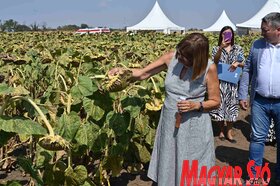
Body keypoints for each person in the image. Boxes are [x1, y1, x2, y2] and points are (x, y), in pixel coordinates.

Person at [109, 33, 220, 185]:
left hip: (193, 126)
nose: (178, 58)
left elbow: (216, 102)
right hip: (170, 122)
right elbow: (142, 73)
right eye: (179, 52)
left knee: (191, 162)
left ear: (196, 59)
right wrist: (121, 72)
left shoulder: (209, 68)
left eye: (184, 57)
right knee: (169, 159)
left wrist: (197, 105)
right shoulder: (170, 58)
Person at [238, 12, 280, 183]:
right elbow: (247, 70)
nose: (262, 33)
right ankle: (253, 175)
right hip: (260, 101)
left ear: (278, 30)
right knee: (257, 139)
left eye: (265, 30)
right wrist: (243, 94)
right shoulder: (257, 45)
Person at [210, 26, 245, 143]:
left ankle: (229, 132)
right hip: (219, 82)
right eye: (224, 33)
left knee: (231, 107)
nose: (227, 35)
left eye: (229, 33)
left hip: (232, 84)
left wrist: (237, 64)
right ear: (221, 35)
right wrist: (221, 48)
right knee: (220, 107)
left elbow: (244, 62)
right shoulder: (216, 48)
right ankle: (221, 130)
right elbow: (214, 61)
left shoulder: (238, 48)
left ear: (233, 35)